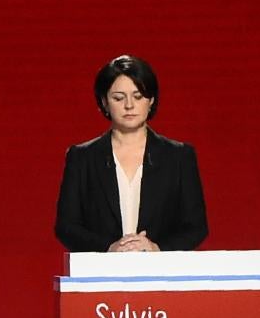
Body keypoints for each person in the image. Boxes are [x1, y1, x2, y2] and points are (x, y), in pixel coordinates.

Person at [53, 54, 207, 253]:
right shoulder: (82, 157)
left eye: (138, 96)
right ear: (104, 102)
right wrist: (108, 248)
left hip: (162, 276)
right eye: (118, 98)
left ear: (151, 100)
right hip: (100, 276)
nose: (129, 106)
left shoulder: (179, 156)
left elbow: (196, 227)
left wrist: (156, 248)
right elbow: (66, 227)